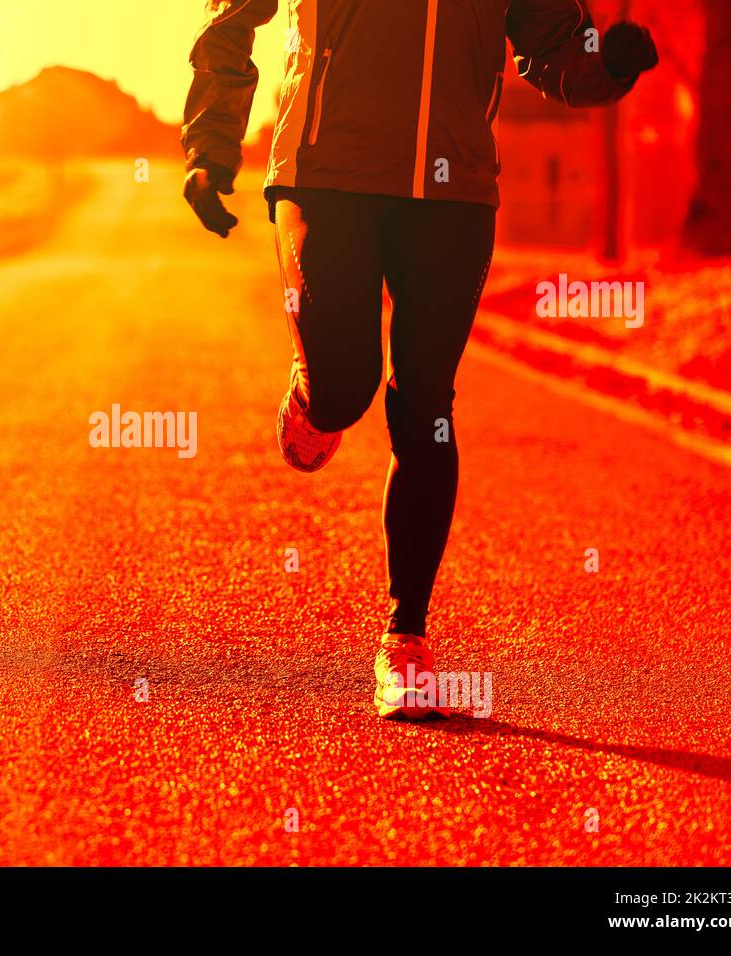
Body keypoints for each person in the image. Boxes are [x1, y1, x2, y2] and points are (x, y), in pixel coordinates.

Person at [180, 0, 657, 718]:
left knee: (426, 400)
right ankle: (321, 395)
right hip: (326, 171)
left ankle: (406, 639)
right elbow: (231, 17)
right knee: (347, 386)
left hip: (453, 189)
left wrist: (606, 67)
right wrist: (212, 143)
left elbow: (555, 44)